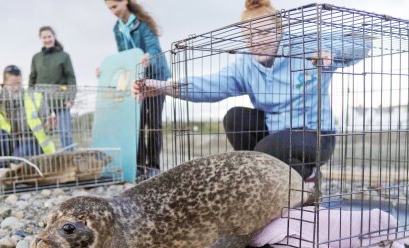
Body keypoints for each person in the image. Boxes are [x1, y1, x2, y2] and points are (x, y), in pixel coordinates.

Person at [133, 0, 370, 186]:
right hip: (275, 132)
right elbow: (210, 85)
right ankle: (293, 179)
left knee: (264, 153)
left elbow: (362, 44)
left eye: (265, 33)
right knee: (234, 117)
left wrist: (330, 51)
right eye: (250, 35)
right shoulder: (245, 64)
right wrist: (163, 87)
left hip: (315, 135)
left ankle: (281, 174)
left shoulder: (304, 46)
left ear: (280, 31)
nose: (258, 41)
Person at [103, 0, 171, 178]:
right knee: (138, 123)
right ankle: (139, 166)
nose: (113, 11)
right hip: (136, 80)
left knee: (154, 122)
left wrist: (149, 59)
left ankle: (154, 166)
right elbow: (122, 56)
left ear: (124, 2)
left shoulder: (143, 23)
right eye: (109, 8)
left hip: (156, 76)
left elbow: (155, 50)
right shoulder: (116, 29)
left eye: (115, 6)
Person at [29, 26, 77, 150]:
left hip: (60, 100)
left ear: (54, 36)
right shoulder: (36, 58)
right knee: (41, 132)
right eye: (44, 37)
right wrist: (30, 98)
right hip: (42, 101)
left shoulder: (64, 56)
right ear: (41, 39)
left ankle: (69, 158)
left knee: (65, 133)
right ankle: (42, 160)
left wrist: (70, 98)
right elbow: (32, 79)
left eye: (49, 36)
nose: (47, 39)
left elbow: (71, 78)